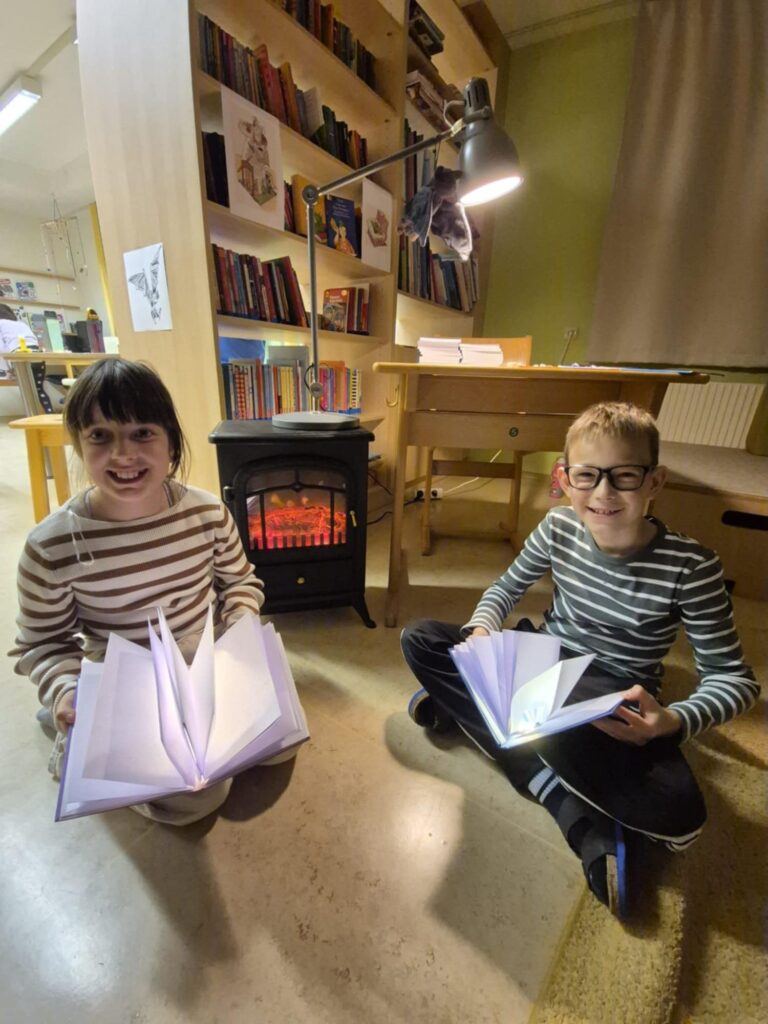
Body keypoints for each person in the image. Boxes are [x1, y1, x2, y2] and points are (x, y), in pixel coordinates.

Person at [400, 401, 759, 916]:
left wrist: (672, 721)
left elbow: (733, 680)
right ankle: (570, 807)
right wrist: (482, 632)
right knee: (420, 639)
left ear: (654, 482)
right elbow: (505, 588)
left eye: (624, 475)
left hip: (613, 694)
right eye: (587, 476)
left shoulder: (693, 567)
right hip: (544, 659)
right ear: (565, 480)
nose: (603, 493)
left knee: (681, 816)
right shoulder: (556, 527)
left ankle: (476, 713)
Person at [11, 358, 267, 825]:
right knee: (199, 798)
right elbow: (43, 642)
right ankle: (78, 748)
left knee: (273, 744)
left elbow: (239, 583)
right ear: (79, 444)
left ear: (171, 442)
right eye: (100, 436)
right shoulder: (51, 546)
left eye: (142, 433)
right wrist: (66, 689)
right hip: (126, 683)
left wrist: (242, 627)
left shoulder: (208, 514)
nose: (123, 454)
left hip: (206, 664)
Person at [0, 303, 38, 376]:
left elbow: (1, 349)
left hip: (18, 355)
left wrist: (7, 369)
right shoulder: (21, 323)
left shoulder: (1, 323)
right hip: (36, 353)